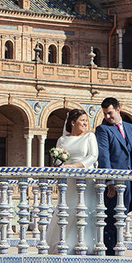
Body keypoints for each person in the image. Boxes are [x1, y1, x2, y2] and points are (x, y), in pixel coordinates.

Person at [45, 108, 98, 253]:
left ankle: (86, 244)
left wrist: (72, 167)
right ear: (73, 122)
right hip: (68, 181)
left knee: (83, 208)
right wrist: (57, 165)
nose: (85, 123)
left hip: (84, 179)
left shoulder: (90, 137)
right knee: (67, 209)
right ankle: (64, 242)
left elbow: (93, 157)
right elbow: (59, 159)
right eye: (82, 120)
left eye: (86, 121)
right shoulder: (62, 140)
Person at [95, 97, 132, 256]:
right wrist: (110, 182)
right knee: (111, 217)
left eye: (110, 113)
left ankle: (119, 248)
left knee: (122, 215)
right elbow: (104, 156)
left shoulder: (130, 128)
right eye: (105, 114)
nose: (107, 117)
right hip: (115, 182)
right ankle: (110, 253)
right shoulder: (103, 129)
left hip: (130, 181)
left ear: (118, 109)